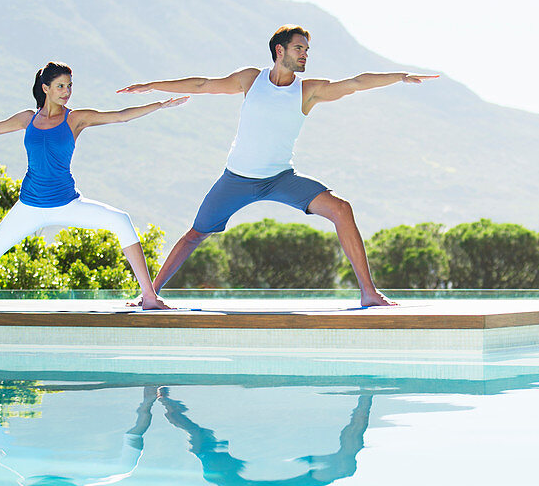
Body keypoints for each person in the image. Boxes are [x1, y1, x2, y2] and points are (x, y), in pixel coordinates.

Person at [118, 25, 438, 306]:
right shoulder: (250, 80)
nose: (305, 55)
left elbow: (355, 82)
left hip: (281, 179)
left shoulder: (308, 91)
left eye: (307, 50)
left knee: (341, 209)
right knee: (194, 235)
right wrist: (152, 86)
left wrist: (400, 77)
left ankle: (369, 292)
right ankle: (150, 293)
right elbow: (203, 84)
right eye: (299, 48)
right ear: (279, 50)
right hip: (236, 180)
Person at [0, 61, 187, 309]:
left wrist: (160, 105)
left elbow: (121, 115)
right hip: (29, 206)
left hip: (67, 203)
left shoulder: (76, 118)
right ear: (46, 88)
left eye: (69, 86)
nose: (66, 91)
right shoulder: (27, 119)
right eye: (60, 86)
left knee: (122, 221)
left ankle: (149, 297)